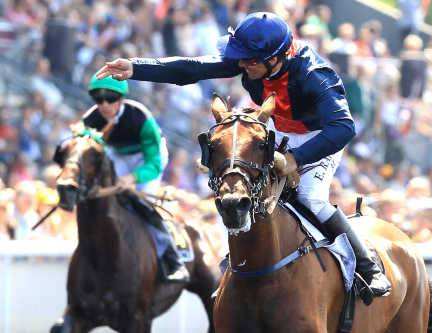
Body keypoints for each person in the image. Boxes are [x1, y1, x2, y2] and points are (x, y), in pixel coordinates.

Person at [97, 12, 391, 298]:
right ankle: (240, 262)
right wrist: (136, 68)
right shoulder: (255, 60)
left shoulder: (315, 75)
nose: (241, 64)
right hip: (280, 129)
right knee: (243, 186)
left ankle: (367, 265)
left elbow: (343, 128)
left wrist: (295, 159)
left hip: (320, 137)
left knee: (309, 196)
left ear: (275, 58)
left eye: (248, 60)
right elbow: (193, 69)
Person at [80, 73, 189, 282]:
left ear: (120, 99)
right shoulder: (90, 121)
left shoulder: (140, 117)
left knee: (143, 201)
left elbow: (154, 163)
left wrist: (134, 177)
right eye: (98, 99)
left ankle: (172, 258)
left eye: (110, 98)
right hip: (116, 155)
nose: (104, 105)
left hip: (147, 158)